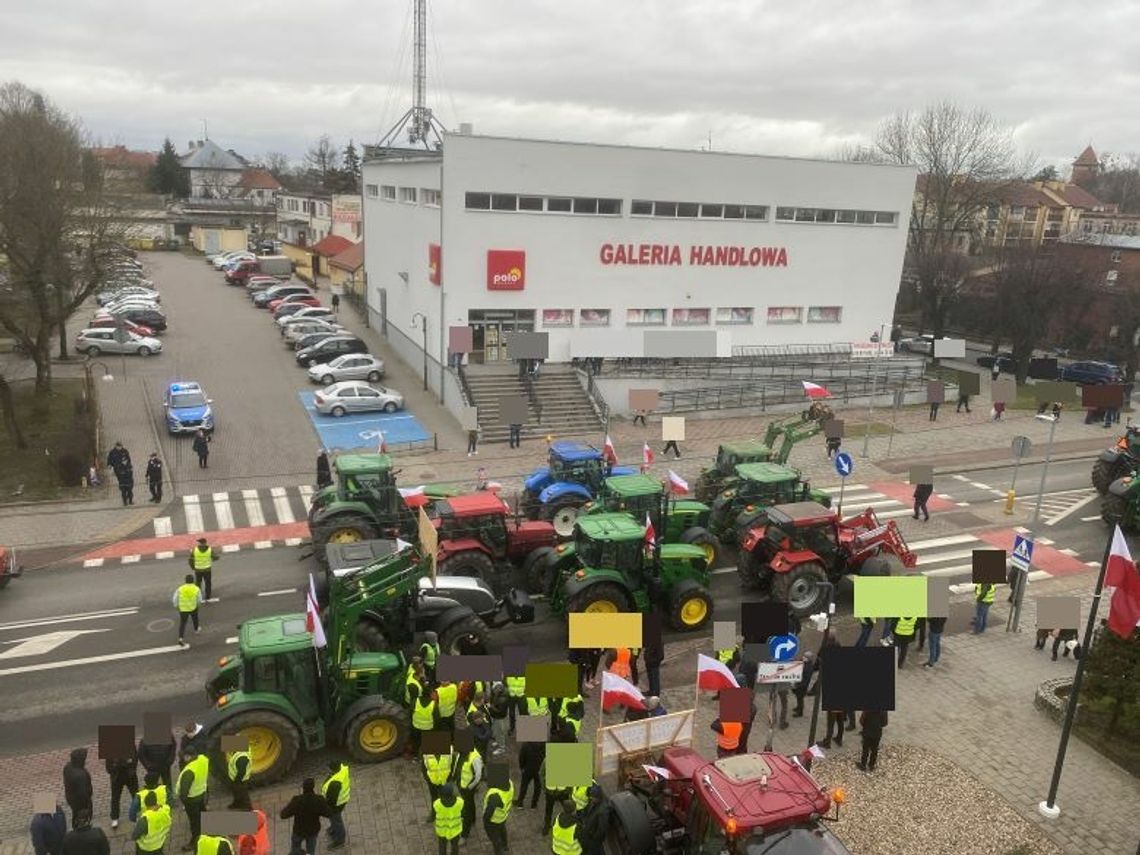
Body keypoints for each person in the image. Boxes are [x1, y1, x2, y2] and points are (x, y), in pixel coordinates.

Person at [279, 778, 331, 855]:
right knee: (311, 850)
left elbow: (283, 815)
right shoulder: (319, 800)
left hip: (298, 830)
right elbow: (328, 813)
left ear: (303, 788)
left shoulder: (297, 800)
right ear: (313, 787)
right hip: (313, 830)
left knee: (295, 848)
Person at [176, 748, 209, 852]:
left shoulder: (189, 771)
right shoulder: (203, 759)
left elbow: (184, 793)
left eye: (183, 756)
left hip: (192, 800)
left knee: (194, 822)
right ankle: (208, 831)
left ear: (188, 756)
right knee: (203, 815)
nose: (182, 759)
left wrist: (184, 803)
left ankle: (195, 842)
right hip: (201, 794)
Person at [105, 743, 139, 830]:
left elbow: (135, 759)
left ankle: (138, 813)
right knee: (115, 798)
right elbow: (108, 768)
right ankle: (114, 818)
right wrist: (117, 765)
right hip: (117, 778)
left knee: (136, 795)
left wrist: (130, 767)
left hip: (130, 776)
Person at [455, 742, 483, 842]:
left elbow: (478, 776)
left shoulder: (475, 758)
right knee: (470, 802)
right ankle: (473, 819)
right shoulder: (462, 752)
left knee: (466, 809)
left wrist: (470, 787)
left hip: (468, 788)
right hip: (461, 785)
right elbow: (458, 764)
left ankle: (464, 835)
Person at [422, 747, 457, 824]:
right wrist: (428, 780)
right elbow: (424, 768)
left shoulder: (449, 751)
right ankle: (434, 814)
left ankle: (447, 816)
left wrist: (450, 780)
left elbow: (453, 766)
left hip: (445, 782)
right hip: (432, 782)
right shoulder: (426, 753)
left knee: (447, 798)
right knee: (434, 798)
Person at [321, 761, 350, 850]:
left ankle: (339, 841)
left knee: (337, 820)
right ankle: (333, 829)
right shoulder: (342, 769)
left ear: (333, 770)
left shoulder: (335, 784)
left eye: (329, 769)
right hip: (340, 801)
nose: (327, 770)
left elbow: (331, 801)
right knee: (334, 819)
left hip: (336, 805)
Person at [482, 774, 513, 855]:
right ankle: (505, 845)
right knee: (502, 830)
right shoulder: (510, 783)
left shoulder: (495, 796)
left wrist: (485, 820)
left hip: (493, 820)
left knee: (495, 839)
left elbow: (489, 813)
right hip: (503, 816)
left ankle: (499, 852)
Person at [63, 748, 93, 830]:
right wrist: (87, 805)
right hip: (81, 803)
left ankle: (76, 828)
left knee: (75, 814)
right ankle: (81, 830)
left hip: (71, 797)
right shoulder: (81, 775)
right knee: (81, 816)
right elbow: (84, 793)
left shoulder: (67, 767)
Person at [431, 782, 463, 855]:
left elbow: (434, 813)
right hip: (455, 830)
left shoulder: (437, 804)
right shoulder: (459, 802)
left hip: (442, 830)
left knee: (442, 847)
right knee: (455, 847)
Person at [578, 786, 611, 855]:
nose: (591, 799)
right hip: (589, 834)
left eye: (593, 797)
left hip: (593, 839)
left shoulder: (603, 811)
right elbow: (588, 812)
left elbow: (601, 830)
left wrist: (593, 838)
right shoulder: (595, 802)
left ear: (598, 797)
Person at [173, 574, 203, 647]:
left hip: (183, 609)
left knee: (182, 623)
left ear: (185, 581)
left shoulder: (180, 588)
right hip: (193, 607)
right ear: (193, 581)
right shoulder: (196, 588)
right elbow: (199, 600)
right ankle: (196, 629)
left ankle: (180, 638)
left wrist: (177, 607)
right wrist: (198, 606)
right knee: (195, 618)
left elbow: (175, 599)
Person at [518, 740, 545, 809]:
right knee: (537, 787)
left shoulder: (526, 744)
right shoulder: (544, 745)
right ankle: (534, 804)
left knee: (524, 785)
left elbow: (521, 757)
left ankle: (520, 803)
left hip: (528, 768)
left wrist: (522, 767)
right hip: (539, 769)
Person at [226, 744, 251, 810]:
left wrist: (237, 780)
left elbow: (242, 771)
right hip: (235, 778)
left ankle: (247, 808)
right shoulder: (239, 750)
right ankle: (237, 803)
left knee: (242, 792)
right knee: (236, 792)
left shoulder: (242, 757)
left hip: (240, 779)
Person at [791, 651, 817, 717]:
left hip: (802, 686)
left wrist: (797, 685)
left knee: (800, 699)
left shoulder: (808, 667)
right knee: (798, 697)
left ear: (808, 658)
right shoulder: (804, 663)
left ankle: (800, 712)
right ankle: (798, 707)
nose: (803, 657)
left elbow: (805, 679)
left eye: (805, 657)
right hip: (799, 684)